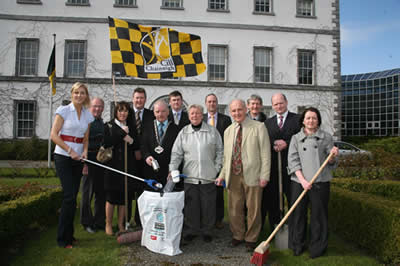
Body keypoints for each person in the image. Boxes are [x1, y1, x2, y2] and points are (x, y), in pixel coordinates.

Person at [215, 99, 271, 252]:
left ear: (246, 109)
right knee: (234, 208)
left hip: (253, 174)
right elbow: (226, 158)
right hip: (233, 175)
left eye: (239, 109)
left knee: (253, 208)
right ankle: (238, 235)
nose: (237, 113)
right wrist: (221, 175)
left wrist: (264, 175)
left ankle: (251, 238)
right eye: (233, 111)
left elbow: (266, 154)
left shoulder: (259, 127)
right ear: (230, 112)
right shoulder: (228, 131)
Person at [287, 107, 339, 258]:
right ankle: (298, 245)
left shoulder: (327, 137)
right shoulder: (295, 138)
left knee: (319, 216)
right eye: (308, 118)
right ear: (303, 121)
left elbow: (332, 162)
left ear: (318, 121)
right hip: (299, 182)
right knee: (298, 215)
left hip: (320, 182)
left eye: (314, 118)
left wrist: (333, 156)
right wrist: (303, 180)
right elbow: (293, 160)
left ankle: (317, 248)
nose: (311, 121)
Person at [170, 104, 223, 243]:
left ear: (202, 115)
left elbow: (220, 152)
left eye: (198, 113)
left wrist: (216, 169)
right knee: (191, 206)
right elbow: (176, 154)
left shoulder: (212, 132)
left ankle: (207, 231)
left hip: (208, 176)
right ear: (189, 116)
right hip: (190, 177)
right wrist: (173, 169)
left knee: (208, 205)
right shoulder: (184, 132)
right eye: (192, 113)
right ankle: (191, 230)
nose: (195, 116)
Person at [51, 82, 94, 248]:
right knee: (69, 197)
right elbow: (54, 135)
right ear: (72, 94)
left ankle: (70, 235)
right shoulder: (63, 111)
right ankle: (62, 239)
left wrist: (84, 151)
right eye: (76, 93)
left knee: (72, 198)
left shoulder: (87, 115)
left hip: (78, 159)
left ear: (86, 96)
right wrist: (70, 150)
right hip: (63, 156)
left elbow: (85, 138)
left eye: (82, 93)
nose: (79, 95)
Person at [262, 93, 301, 231]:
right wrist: (273, 143)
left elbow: (301, 140)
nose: (279, 106)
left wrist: (287, 143)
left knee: (293, 200)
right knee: (273, 200)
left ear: (286, 102)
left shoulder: (297, 120)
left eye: (281, 103)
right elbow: (264, 143)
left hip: (293, 170)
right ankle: (276, 228)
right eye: (276, 104)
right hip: (274, 169)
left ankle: (294, 229)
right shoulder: (268, 123)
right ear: (272, 106)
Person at [103, 101, 138, 236]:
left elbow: (135, 145)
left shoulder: (131, 126)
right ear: (116, 112)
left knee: (124, 198)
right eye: (120, 111)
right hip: (113, 167)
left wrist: (130, 139)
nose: (122, 113)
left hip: (127, 167)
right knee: (112, 198)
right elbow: (106, 143)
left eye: (125, 111)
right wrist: (120, 134)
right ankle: (108, 224)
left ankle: (121, 225)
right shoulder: (109, 126)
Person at [203, 93, 231, 229]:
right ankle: (206, 217)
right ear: (206, 104)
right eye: (209, 102)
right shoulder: (201, 118)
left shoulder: (225, 120)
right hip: (205, 159)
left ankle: (218, 219)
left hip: (220, 158)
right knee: (205, 189)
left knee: (218, 190)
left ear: (217, 103)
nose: (212, 104)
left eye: (214, 101)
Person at [128, 87, 154, 228]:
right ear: (133, 98)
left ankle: (140, 220)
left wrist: (144, 153)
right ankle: (126, 220)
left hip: (145, 159)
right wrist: (134, 150)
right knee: (128, 190)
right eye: (137, 97)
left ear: (145, 99)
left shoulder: (151, 115)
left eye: (142, 98)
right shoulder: (126, 113)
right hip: (129, 158)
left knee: (143, 190)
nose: (139, 100)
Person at [80, 97, 106, 233]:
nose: (97, 109)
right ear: (90, 107)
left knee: (100, 193)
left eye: (100, 107)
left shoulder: (102, 123)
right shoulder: (85, 122)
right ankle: (86, 222)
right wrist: (83, 163)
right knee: (87, 193)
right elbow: (81, 143)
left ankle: (99, 221)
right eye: (95, 106)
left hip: (100, 161)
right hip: (88, 160)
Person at [141, 100, 179, 189]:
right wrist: (147, 156)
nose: (160, 114)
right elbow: (143, 146)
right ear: (154, 112)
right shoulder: (147, 127)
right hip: (150, 170)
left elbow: (178, 151)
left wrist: (173, 169)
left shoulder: (175, 129)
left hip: (168, 171)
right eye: (157, 111)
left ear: (168, 112)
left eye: (163, 111)